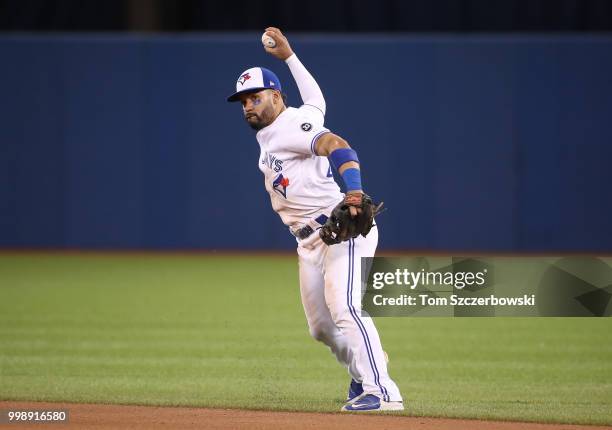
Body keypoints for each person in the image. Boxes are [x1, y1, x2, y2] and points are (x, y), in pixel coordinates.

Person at [227, 27, 403, 412]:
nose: (248, 106)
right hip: (308, 241)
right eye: (242, 102)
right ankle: (363, 372)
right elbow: (315, 98)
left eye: (254, 97)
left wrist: (353, 191)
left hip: (341, 230)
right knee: (321, 328)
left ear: (275, 96)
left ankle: (382, 391)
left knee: (346, 308)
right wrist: (289, 57)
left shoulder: (291, 125)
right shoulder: (287, 122)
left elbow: (337, 145)